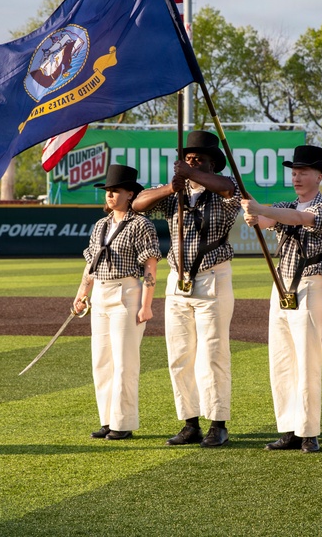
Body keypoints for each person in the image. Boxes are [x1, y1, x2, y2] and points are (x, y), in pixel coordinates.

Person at [132, 130, 240, 448]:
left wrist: (190, 172)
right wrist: (172, 186)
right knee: (179, 355)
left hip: (212, 279)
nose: (192, 163)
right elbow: (137, 205)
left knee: (213, 354)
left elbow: (230, 188)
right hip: (177, 281)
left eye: (198, 160)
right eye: (188, 158)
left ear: (211, 164)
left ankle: (217, 423)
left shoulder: (222, 191)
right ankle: (190, 422)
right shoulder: (175, 196)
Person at [241, 145, 322, 454]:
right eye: (294, 172)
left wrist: (261, 210)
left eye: (303, 172)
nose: (296, 177)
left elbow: (298, 218)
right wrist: (253, 215)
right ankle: (289, 430)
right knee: (281, 362)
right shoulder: (284, 204)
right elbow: (268, 221)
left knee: (308, 363)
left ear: (319, 175)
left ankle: (309, 432)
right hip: (281, 287)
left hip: (311, 287)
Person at [74, 164, 161, 441]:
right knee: (101, 361)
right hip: (100, 294)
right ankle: (107, 419)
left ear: (131, 194)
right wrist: (81, 293)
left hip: (127, 293)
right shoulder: (100, 225)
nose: (110, 195)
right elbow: (91, 264)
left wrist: (147, 305)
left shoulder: (141, 224)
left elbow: (150, 266)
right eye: (108, 191)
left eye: (116, 191)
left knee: (125, 362)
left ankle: (123, 423)